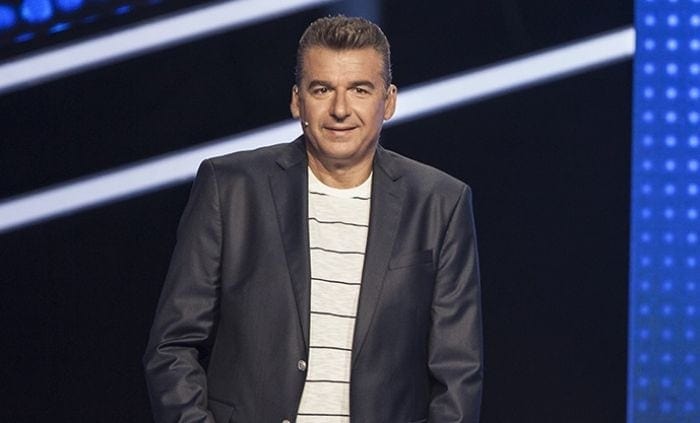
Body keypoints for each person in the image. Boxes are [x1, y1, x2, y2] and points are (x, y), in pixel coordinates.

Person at [143, 15, 482, 423]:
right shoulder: (230, 188)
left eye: (359, 89)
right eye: (322, 89)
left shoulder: (439, 204)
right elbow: (172, 347)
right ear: (297, 101)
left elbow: (457, 375)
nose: (340, 109)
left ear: (388, 101)